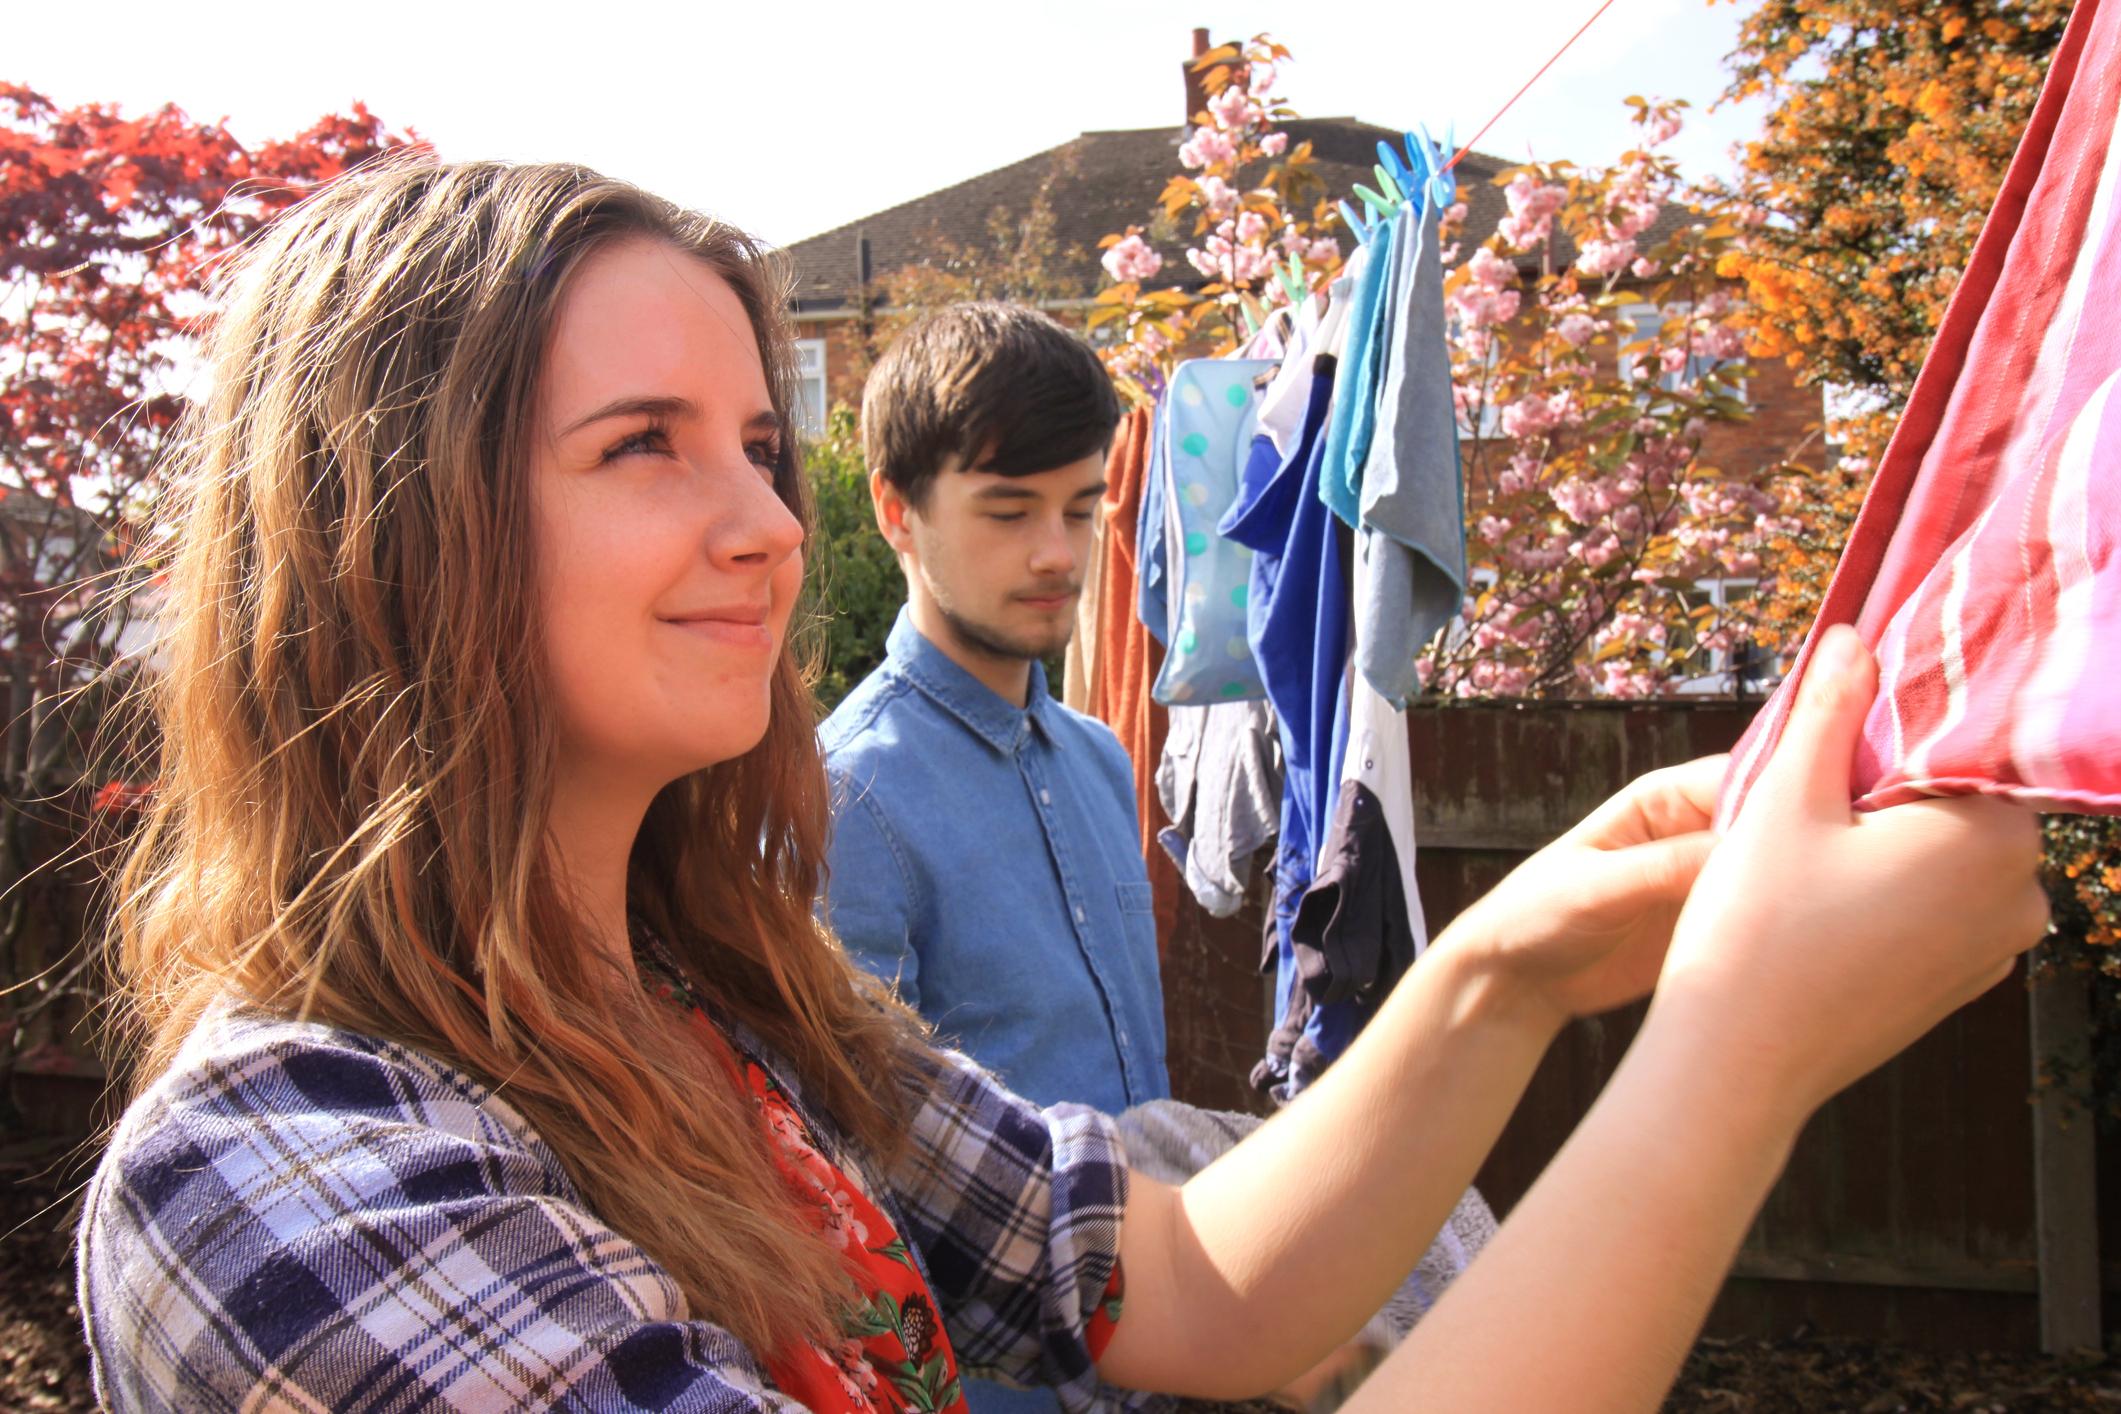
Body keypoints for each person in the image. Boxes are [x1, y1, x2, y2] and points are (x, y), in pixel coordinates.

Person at [76, 155, 2048, 1414]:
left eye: (759, 441)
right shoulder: (283, 1175)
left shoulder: (726, 1000)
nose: (763, 522)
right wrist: (1730, 1064)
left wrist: (1511, 964)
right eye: (642, 445)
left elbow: (1163, 1271)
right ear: (380, 534)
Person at [820, 304, 1164, 1123]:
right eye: (1009, 512)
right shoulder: (844, 796)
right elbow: (858, 1138)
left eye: (1081, 510)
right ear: (896, 511)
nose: (1057, 552)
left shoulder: (1099, 758)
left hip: (1159, 1237)